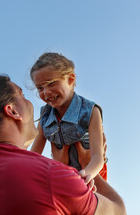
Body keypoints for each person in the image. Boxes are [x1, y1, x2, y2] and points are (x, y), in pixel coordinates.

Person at [0, 75, 126, 215]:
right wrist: (85, 166)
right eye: (22, 95)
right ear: (12, 111)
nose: (32, 102)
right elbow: (118, 211)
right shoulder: (51, 176)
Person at [30, 52, 107, 184]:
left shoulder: (90, 111)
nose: (46, 92)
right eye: (40, 88)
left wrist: (85, 174)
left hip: (91, 175)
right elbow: (33, 157)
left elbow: (97, 158)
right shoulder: (45, 116)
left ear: (70, 79)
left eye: (51, 83)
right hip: (65, 176)